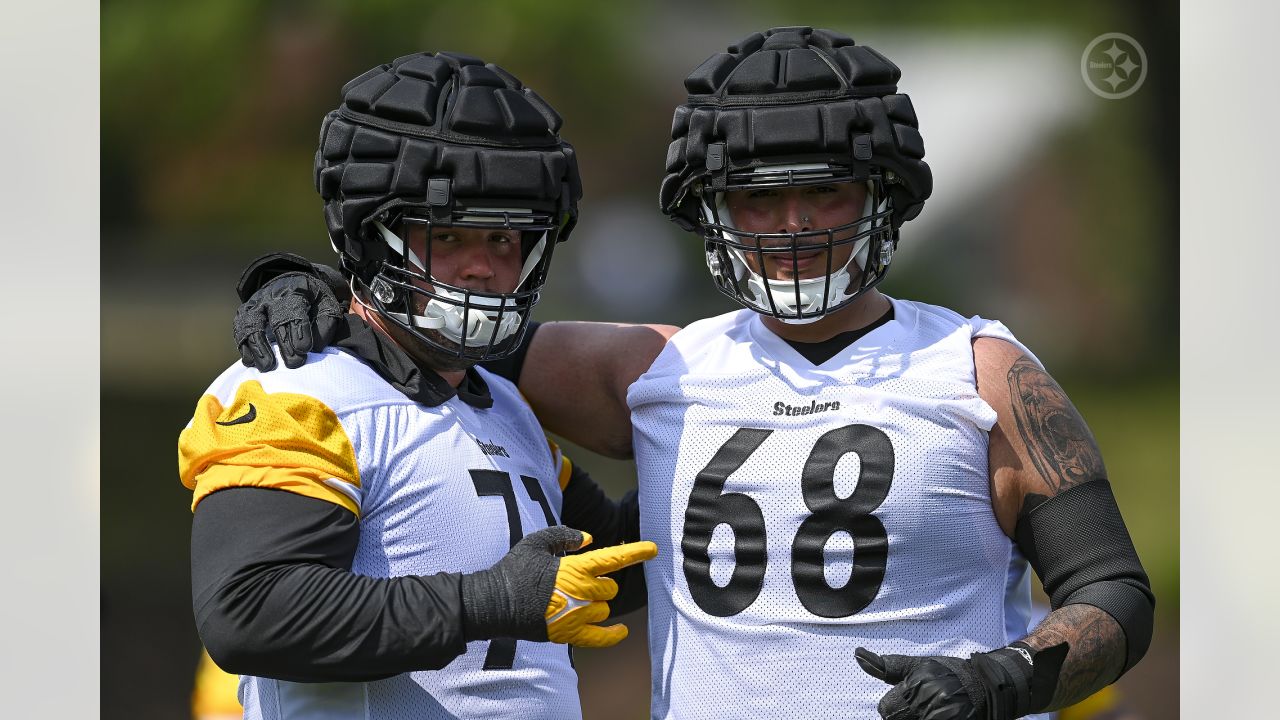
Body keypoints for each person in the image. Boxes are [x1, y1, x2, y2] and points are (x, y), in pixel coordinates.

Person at [231, 28, 1154, 720]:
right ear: (711, 211)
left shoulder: (984, 370)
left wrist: (1005, 676)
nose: (792, 226)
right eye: (758, 197)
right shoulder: (653, 366)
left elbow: (1113, 591)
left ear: (886, 197)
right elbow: (431, 322)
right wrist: (310, 283)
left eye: (825, 189)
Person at [178, 51, 656, 720]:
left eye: (503, 237)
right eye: (450, 234)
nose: (484, 267)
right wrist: (488, 602)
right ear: (374, 236)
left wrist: (763, 474)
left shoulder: (502, 402)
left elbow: (611, 560)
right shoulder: (297, 393)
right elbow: (249, 611)